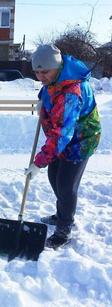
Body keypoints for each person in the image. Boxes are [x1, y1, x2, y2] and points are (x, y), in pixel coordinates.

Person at [24, 44, 101, 249]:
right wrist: (42, 100)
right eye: (37, 72)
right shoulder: (55, 78)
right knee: (54, 177)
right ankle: (62, 213)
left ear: (57, 68)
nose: (41, 76)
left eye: (45, 72)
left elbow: (61, 135)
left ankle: (64, 229)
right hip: (64, 138)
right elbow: (48, 91)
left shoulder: (71, 93)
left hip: (81, 141)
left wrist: (38, 163)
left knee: (66, 186)